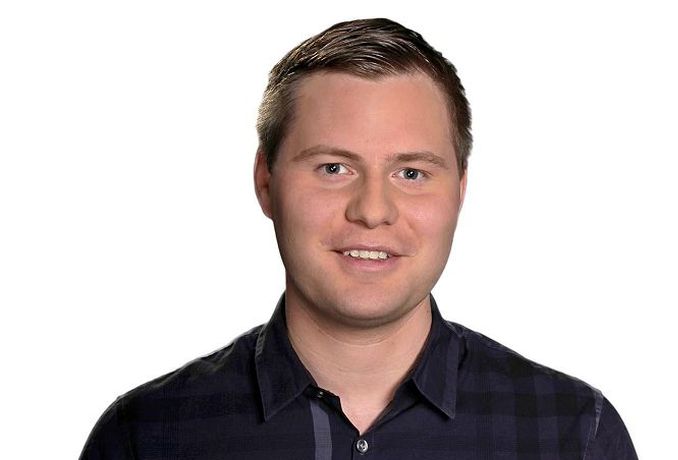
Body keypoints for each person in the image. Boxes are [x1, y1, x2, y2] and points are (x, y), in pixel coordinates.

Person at [80, 18, 637, 459]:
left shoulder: (574, 435)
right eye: (333, 168)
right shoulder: (143, 438)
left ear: (460, 191)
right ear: (265, 182)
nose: (372, 211)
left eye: (411, 173)